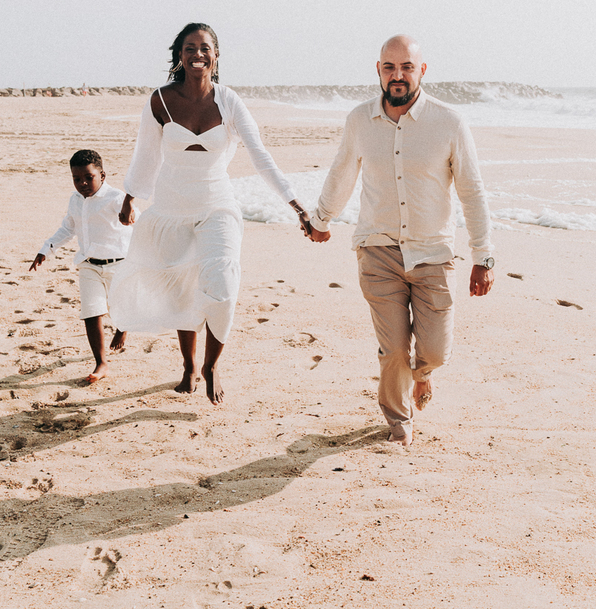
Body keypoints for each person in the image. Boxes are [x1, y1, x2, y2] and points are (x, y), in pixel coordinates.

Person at [304, 34, 495, 445]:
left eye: (407, 67)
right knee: (392, 349)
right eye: (389, 67)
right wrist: (321, 218)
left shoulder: (449, 122)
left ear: (422, 71)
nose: (398, 75)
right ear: (378, 70)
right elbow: (341, 173)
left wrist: (484, 255)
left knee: (436, 350)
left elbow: (472, 191)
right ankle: (398, 419)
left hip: (433, 254)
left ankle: (422, 374)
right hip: (378, 250)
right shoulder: (359, 120)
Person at [109, 22, 311, 405]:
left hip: (217, 205)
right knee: (182, 291)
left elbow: (259, 155)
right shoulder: (160, 100)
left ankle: (211, 365)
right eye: (190, 48)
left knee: (222, 286)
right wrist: (130, 197)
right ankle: (187, 366)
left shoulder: (229, 101)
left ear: (216, 56)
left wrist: (296, 205)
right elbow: (146, 155)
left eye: (205, 48)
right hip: (170, 207)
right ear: (179, 55)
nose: (197, 54)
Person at [30, 149, 132, 385]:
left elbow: (135, 221)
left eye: (89, 177)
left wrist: (132, 214)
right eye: (77, 179)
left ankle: (122, 327)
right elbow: (68, 228)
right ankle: (101, 362)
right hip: (88, 265)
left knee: (121, 307)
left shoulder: (117, 198)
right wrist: (46, 249)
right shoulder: (75, 200)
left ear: (102, 175)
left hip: (119, 264)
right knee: (91, 311)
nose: (83, 183)